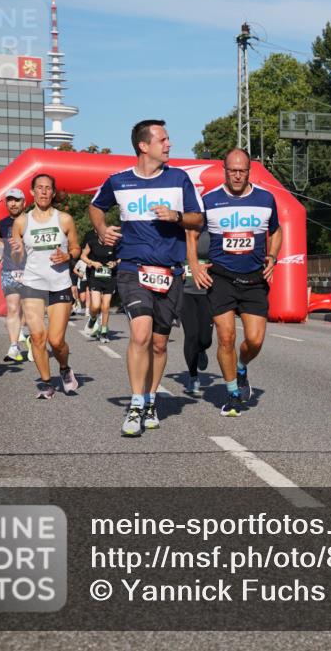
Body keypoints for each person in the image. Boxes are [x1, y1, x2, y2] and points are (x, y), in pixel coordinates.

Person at [90, 119, 203, 436]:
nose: (169, 144)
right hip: (133, 269)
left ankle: (151, 400)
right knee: (140, 334)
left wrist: (176, 216)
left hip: (169, 272)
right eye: (163, 139)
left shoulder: (179, 179)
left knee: (159, 344)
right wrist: (101, 229)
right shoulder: (119, 181)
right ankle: (136, 404)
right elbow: (96, 207)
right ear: (144, 146)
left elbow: (198, 218)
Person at [189, 148, 281, 417]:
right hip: (221, 277)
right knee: (226, 336)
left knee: (254, 340)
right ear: (224, 171)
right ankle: (232, 395)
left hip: (254, 278)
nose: (237, 175)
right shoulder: (210, 200)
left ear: (249, 171)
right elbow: (191, 233)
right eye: (232, 171)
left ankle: (241, 368)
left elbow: (276, 230)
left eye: (242, 170)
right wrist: (194, 265)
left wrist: (273, 256)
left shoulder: (265, 198)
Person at [11, 174, 81, 399]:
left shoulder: (65, 219)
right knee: (38, 337)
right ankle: (46, 383)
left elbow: (76, 248)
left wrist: (68, 256)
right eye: (39, 188)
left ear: (53, 192)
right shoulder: (22, 222)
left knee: (56, 340)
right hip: (33, 284)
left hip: (59, 285)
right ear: (32, 192)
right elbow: (17, 257)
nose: (43, 191)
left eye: (48, 188)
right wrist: (15, 251)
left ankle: (64, 368)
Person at [0, 187, 28, 362]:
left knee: (30, 309)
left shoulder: (31, 220)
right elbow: (1, 242)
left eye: (16, 200)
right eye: (10, 200)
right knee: (13, 308)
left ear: (24, 202)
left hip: (31, 270)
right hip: (10, 269)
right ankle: (14, 347)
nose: (13, 203)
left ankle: (33, 339)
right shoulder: (2, 224)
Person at [181, 228, 214, 396]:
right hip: (185, 292)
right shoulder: (179, 231)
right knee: (191, 335)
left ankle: (202, 349)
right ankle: (193, 377)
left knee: (205, 339)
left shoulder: (211, 231)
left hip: (207, 292)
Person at [80, 227, 119, 342]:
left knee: (106, 306)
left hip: (109, 277)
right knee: (96, 306)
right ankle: (93, 319)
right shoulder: (91, 243)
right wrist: (92, 263)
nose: (104, 236)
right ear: (97, 233)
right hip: (95, 277)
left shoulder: (114, 244)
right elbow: (83, 256)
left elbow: (121, 257)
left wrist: (115, 263)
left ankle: (104, 331)